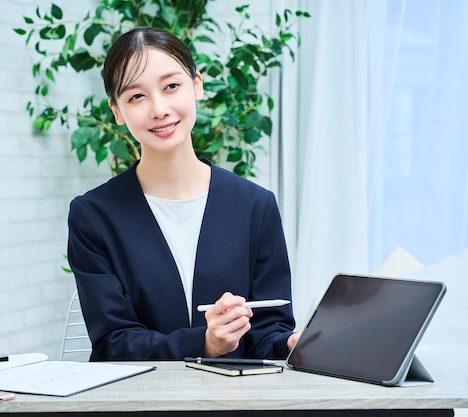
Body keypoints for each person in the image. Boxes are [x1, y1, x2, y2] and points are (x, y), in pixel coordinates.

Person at [67, 26, 299, 361]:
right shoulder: (94, 215)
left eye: (171, 86)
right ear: (116, 112)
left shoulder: (255, 205)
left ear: (197, 86)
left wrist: (290, 344)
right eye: (136, 96)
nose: (159, 109)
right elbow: (112, 342)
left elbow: (268, 333)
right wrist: (204, 343)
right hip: (139, 403)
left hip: (235, 403)